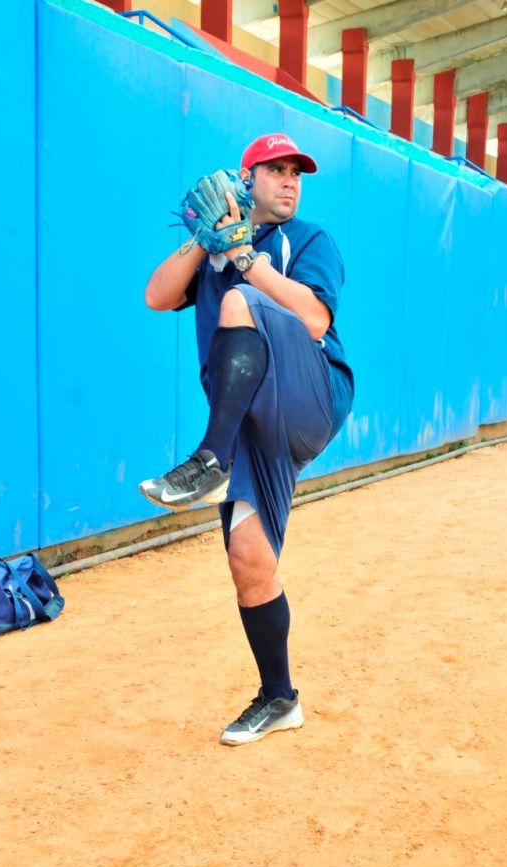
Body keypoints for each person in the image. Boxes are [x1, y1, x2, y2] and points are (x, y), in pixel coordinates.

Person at [139, 133, 354, 745]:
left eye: (297, 173)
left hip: (310, 396)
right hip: (252, 423)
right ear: (246, 177)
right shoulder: (216, 251)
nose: (289, 181)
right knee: (250, 564)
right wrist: (207, 241)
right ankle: (279, 697)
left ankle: (209, 459)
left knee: (242, 298)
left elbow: (314, 319)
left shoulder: (309, 240)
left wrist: (245, 260)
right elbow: (156, 296)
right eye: (276, 170)